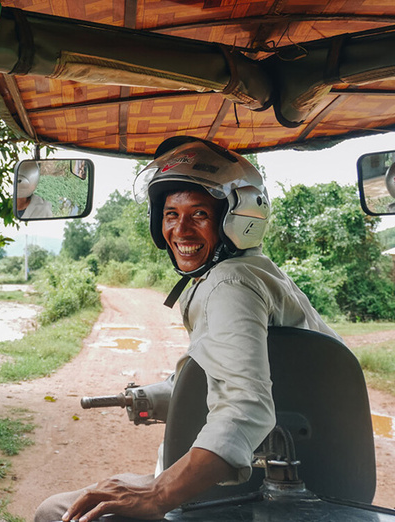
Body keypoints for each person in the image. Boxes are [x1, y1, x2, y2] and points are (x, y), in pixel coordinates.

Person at [34, 136, 340, 522]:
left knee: (55, 511)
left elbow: (245, 408)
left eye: (199, 215)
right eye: (171, 214)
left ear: (238, 220)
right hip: (300, 481)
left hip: (236, 492)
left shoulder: (229, 285)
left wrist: (158, 494)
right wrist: (160, 395)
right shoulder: (259, 274)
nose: (181, 230)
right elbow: (246, 374)